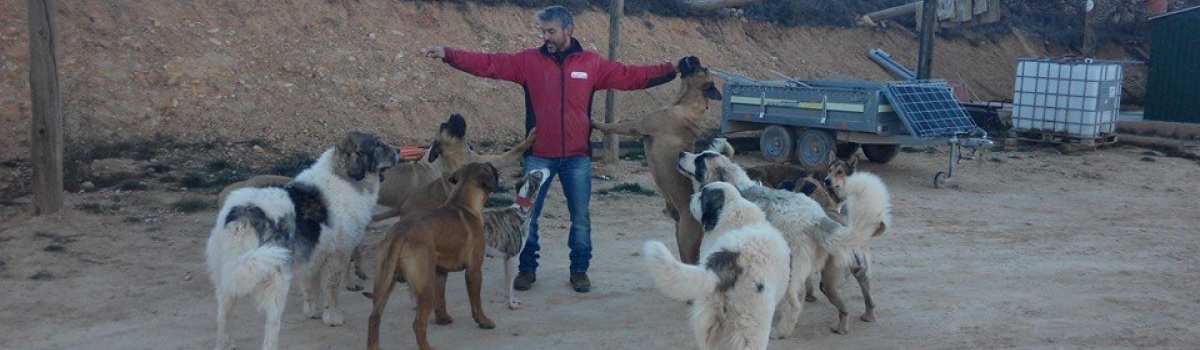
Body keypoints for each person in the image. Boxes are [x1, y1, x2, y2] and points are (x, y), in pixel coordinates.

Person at [423, 5, 683, 293]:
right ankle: (526, 269)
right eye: (543, 31)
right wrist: (450, 54)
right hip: (539, 155)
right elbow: (490, 64)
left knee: (580, 218)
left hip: (577, 158)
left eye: (551, 31)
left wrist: (671, 69)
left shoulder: (591, 64)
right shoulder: (528, 62)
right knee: (526, 215)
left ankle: (579, 270)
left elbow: (630, 76)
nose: (545, 36)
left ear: (568, 30)